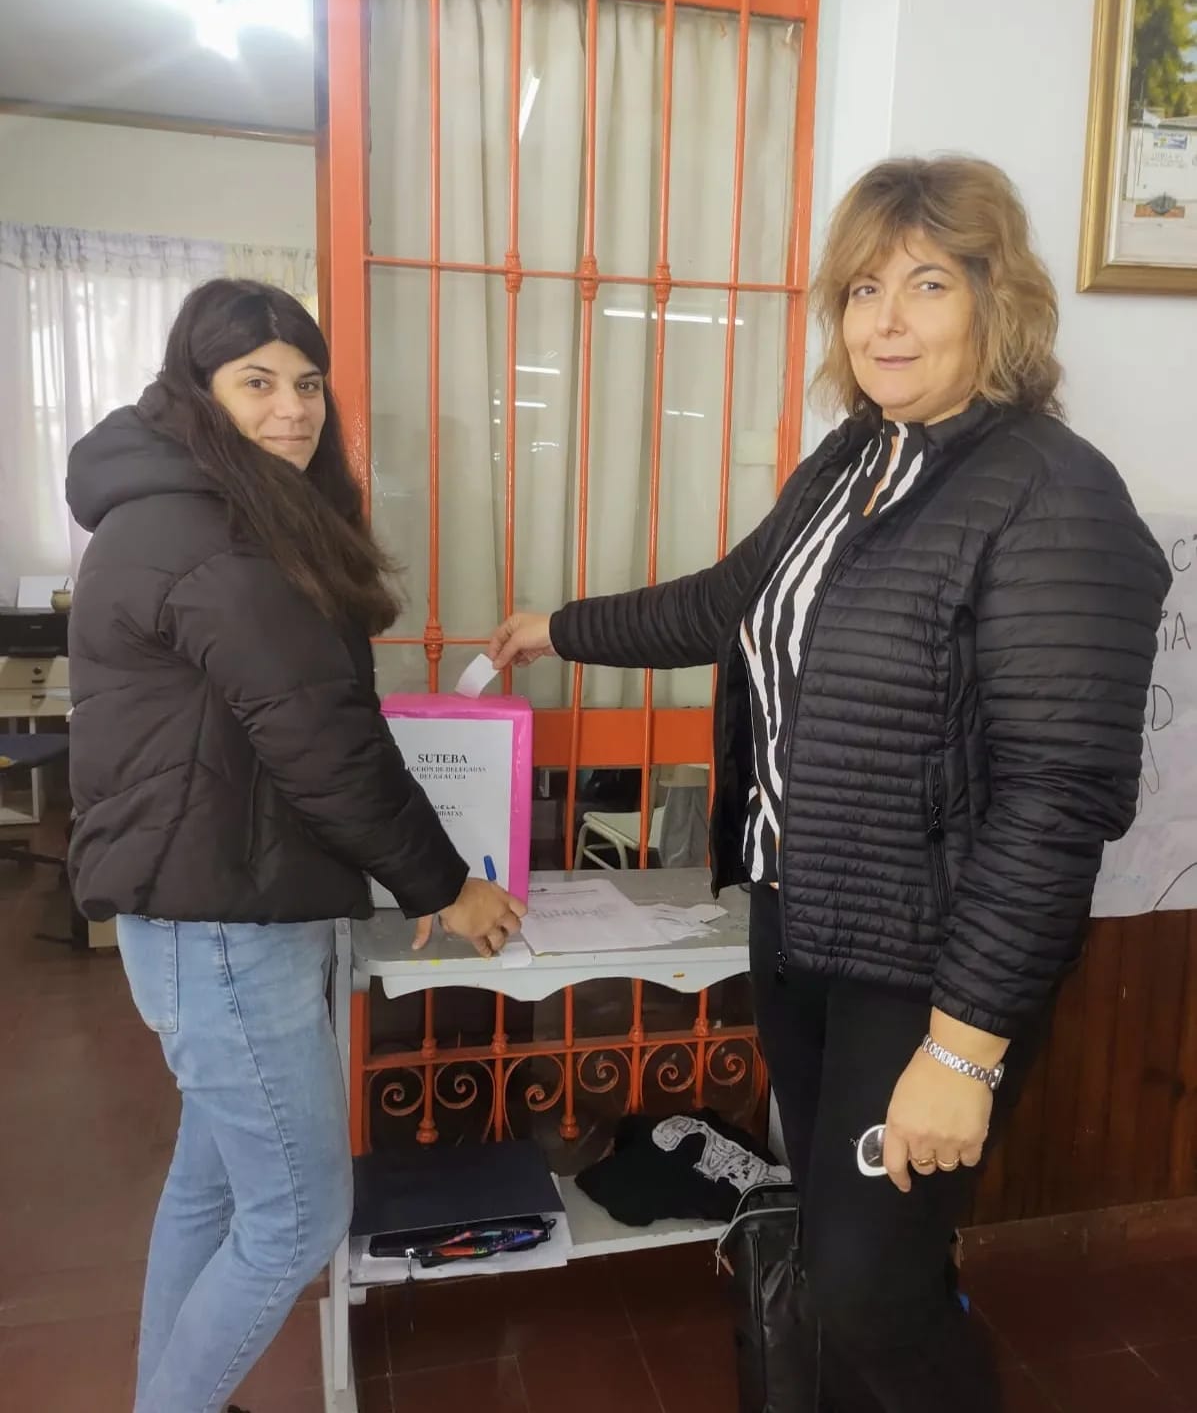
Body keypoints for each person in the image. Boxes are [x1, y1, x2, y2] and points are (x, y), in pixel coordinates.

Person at [490, 157, 1170, 1412]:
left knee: (867, 1285)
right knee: (857, 1251)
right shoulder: (855, 459)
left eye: (927, 284)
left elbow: (1057, 797)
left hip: (924, 966)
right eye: (863, 289)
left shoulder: (1055, 494)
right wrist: (560, 626)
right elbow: (724, 599)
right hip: (802, 925)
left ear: (997, 301)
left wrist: (962, 1051)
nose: (886, 321)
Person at [66, 279, 525, 1413]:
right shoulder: (209, 531)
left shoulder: (203, 508)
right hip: (226, 921)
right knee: (298, 1216)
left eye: (308, 383)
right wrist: (446, 885)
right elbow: (326, 743)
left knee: (214, 1185)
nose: (292, 409)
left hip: (213, 905)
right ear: (198, 392)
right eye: (257, 381)